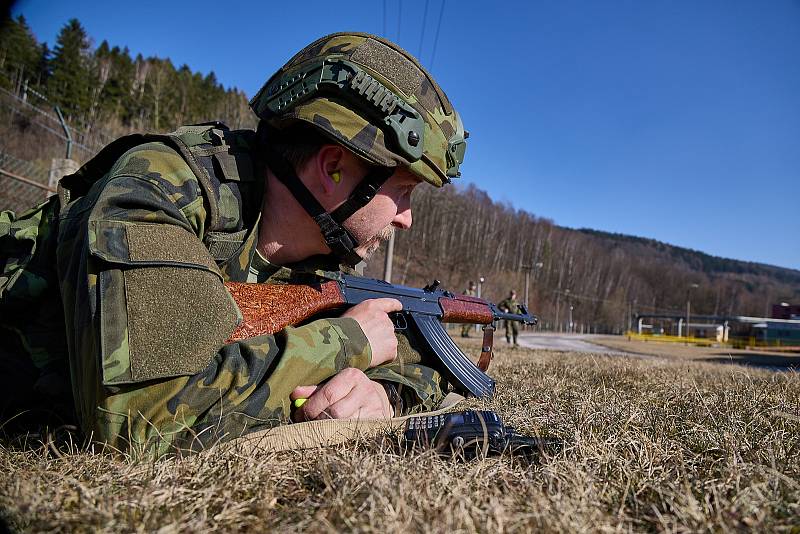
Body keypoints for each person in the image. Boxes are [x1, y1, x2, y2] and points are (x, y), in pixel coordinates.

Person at [0, 32, 468, 454]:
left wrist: (382, 392)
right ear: (333, 169)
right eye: (403, 192)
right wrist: (344, 345)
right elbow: (147, 418)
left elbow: (417, 359)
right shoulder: (162, 190)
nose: (405, 219)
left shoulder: (318, 261)